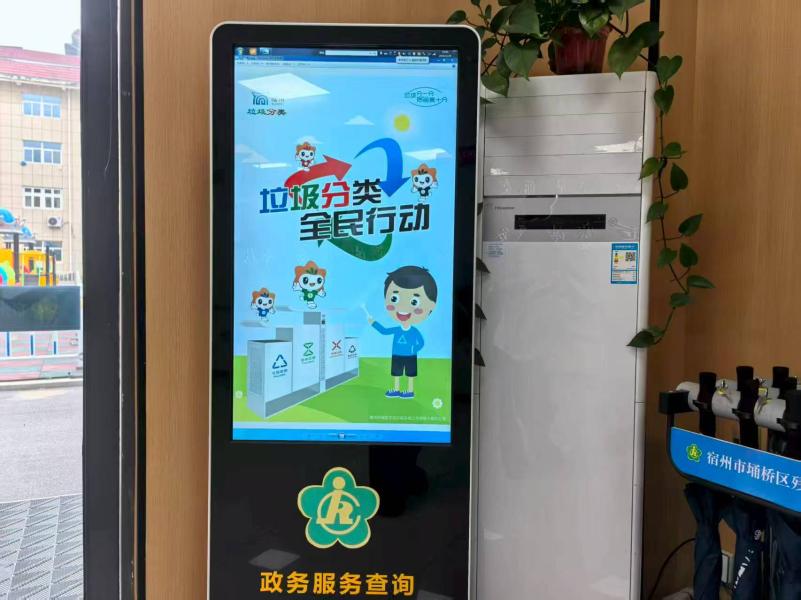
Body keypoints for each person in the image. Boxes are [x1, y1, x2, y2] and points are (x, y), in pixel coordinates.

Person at [367, 266, 437, 399]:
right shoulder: (397, 329)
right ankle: (396, 390)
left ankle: (410, 391)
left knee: (410, 374)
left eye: (414, 301)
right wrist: (373, 323)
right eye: (394, 299)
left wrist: (413, 349)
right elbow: (384, 331)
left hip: (410, 356)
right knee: (396, 373)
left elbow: (421, 343)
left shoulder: (414, 331)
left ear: (431, 306)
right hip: (397, 355)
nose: (403, 307)